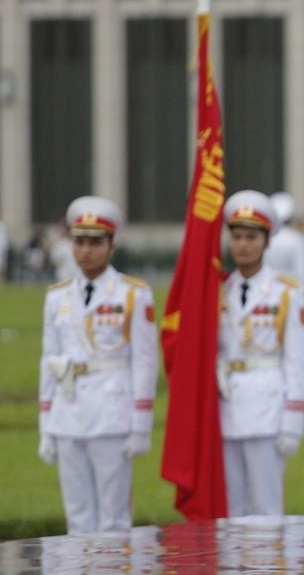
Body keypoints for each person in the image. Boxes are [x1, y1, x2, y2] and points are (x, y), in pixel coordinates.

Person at [37, 196, 157, 533]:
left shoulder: (133, 294)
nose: (86, 250)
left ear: (112, 245)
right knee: (78, 517)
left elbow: (145, 361)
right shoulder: (57, 296)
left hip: (112, 414)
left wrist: (140, 424)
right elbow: (50, 360)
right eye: (79, 242)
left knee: (114, 519)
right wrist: (46, 423)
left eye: (95, 242)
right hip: (68, 412)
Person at [218, 189, 304, 517]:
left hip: (268, 409)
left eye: (251, 237)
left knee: (267, 508)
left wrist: (292, 421)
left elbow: (296, 361)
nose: (243, 244)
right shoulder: (219, 290)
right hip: (226, 408)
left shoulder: (286, 293)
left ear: (267, 241)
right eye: (237, 236)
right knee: (232, 508)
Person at [265, 191, 304, 295]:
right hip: (291, 293)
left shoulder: (265, 237)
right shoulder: (297, 239)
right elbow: (303, 272)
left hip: (265, 291)